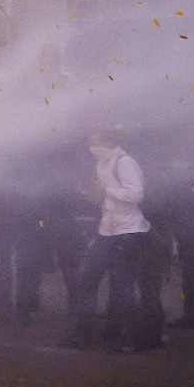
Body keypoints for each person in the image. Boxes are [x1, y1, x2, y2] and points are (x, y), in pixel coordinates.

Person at [64, 130, 154, 352]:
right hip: (107, 230)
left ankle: (131, 339)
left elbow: (136, 193)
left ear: (109, 142)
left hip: (128, 231)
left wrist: (107, 190)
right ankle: (85, 333)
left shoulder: (125, 162)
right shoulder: (101, 165)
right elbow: (101, 197)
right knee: (88, 280)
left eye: (95, 142)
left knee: (122, 287)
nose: (91, 147)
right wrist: (91, 195)